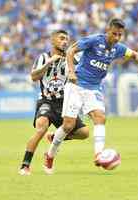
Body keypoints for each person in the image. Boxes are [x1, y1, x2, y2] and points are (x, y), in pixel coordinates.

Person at [43, 18, 138, 174]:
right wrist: (72, 72)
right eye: (114, 34)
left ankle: (98, 154)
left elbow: (135, 55)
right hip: (76, 86)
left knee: (100, 117)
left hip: (94, 89)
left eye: (119, 35)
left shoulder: (118, 48)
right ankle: (50, 154)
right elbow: (70, 51)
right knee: (68, 125)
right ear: (108, 30)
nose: (116, 38)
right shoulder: (94, 40)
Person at [19, 29, 89, 175]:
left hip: (65, 102)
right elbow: (33, 77)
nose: (65, 41)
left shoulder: (72, 58)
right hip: (47, 101)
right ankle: (25, 165)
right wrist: (49, 63)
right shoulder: (43, 57)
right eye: (61, 38)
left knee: (84, 133)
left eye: (66, 39)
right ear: (52, 41)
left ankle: (54, 137)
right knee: (41, 128)